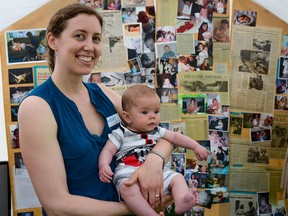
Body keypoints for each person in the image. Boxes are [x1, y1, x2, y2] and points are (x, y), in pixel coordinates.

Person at [18, 4, 174, 215]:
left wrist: (155, 160)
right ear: (53, 40)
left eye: (96, 38)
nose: (90, 47)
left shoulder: (103, 92)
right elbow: (57, 206)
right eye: (80, 36)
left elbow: (160, 134)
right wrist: (135, 208)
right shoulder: (37, 107)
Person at [98, 85, 209, 215]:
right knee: (127, 190)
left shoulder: (156, 131)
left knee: (177, 178)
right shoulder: (121, 133)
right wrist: (103, 165)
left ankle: (181, 200)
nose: (152, 117)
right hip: (129, 173)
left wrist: (195, 146)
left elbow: (175, 136)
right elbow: (108, 150)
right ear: (127, 117)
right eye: (145, 112)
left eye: (156, 112)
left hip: (157, 173)